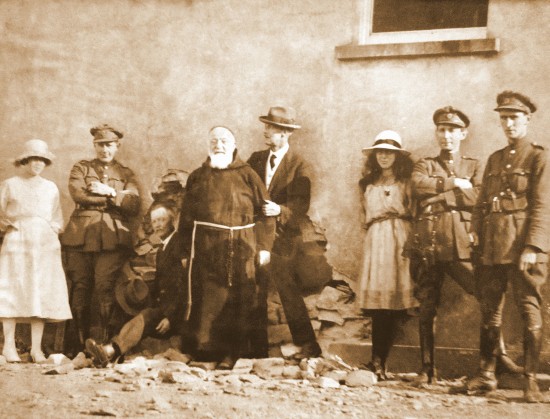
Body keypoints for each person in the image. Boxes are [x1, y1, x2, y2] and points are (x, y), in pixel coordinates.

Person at [410, 106, 519, 384]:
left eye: (452, 131)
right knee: (426, 306)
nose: (446, 136)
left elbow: (480, 197)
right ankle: (426, 369)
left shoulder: (475, 165)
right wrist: (454, 183)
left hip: (461, 245)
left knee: (487, 298)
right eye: (441, 130)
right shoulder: (425, 164)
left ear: (463, 134)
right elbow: (417, 185)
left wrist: (440, 199)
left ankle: (497, 357)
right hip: (430, 244)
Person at [466, 92, 549, 403]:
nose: (509, 123)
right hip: (492, 247)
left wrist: (534, 245)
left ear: (527, 119)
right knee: (490, 311)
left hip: (523, 248)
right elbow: (481, 203)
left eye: (515, 117)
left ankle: (530, 382)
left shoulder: (539, 158)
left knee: (530, 310)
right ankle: (487, 375)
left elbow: (543, 207)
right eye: (504, 117)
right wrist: (474, 231)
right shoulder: (495, 159)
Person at [178, 126, 275, 369]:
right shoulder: (197, 176)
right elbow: (185, 218)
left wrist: (264, 247)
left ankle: (235, 353)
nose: (218, 145)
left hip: (240, 247)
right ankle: (208, 352)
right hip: (206, 247)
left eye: (223, 141)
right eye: (213, 141)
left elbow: (266, 213)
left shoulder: (247, 175)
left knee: (238, 300)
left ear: (233, 146)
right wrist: (183, 252)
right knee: (209, 299)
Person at [248, 106, 322, 359]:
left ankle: (308, 345)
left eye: (273, 128)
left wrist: (279, 209)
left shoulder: (299, 165)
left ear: (286, 133)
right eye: (266, 127)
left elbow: (301, 205)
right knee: (255, 288)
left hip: (284, 237)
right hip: (257, 235)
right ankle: (255, 349)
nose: (266, 132)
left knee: (287, 287)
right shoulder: (256, 159)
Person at [61, 124, 141, 351]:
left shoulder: (126, 173)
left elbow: (133, 205)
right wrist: (115, 199)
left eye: (109, 145)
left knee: (105, 286)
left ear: (117, 147)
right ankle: (79, 344)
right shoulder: (81, 168)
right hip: (80, 236)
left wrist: (109, 192)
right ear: (94, 145)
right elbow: (78, 193)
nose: (104, 150)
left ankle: (103, 345)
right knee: (80, 286)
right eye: (100, 145)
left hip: (112, 238)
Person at [85, 202, 188, 367]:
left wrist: (170, 316)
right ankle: (105, 349)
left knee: (146, 315)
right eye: (154, 222)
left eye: (162, 220)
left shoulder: (180, 244)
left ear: (172, 221)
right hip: (164, 307)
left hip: (178, 313)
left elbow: (185, 285)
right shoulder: (162, 250)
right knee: (126, 308)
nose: (158, 225)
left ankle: (110, 351)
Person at [0, 139, 72, 363]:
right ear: (25, 160)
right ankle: (9, 347)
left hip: (43, 244)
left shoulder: (50, 187)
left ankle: (36, 349)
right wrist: (10, 226)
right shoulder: (11, 184)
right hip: (18, 241)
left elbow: (57, 217)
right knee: (12, 290)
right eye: (33, 159)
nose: (38, 164)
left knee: (38, 292)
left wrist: (52, 230)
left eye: (42, 160)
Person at [358, 130, 417, 380]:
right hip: (376, 241)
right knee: (378, 305)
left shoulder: (407, 183)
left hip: (400, 239)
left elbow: (414, 212)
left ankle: (383, 361)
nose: (384, 156)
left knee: (394, 304)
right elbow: (363, 216)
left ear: (398, 156)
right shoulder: (367, 184)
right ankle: (376, 362)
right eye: (380, 152)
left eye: (389, 152)